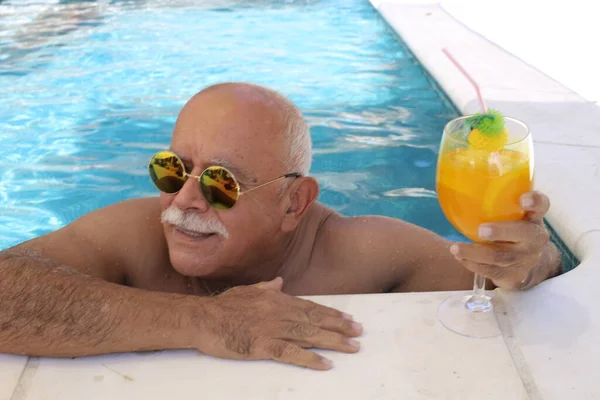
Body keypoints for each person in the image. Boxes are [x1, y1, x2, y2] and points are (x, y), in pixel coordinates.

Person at [0, 82, 561, 371]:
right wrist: (204, 321)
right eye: (172, 170)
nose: (185, 200)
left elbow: (509, 283)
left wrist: (533, 261)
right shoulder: (134, 234)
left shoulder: (366, 253)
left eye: (221, 183)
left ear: (295, 203)